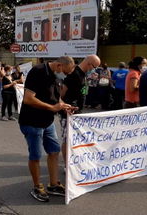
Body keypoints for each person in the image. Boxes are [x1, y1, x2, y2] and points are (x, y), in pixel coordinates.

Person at [19, 56, 75, 202]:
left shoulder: (57, 76)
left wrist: (64, 106)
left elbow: (56, 98)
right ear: (58, 65)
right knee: (36, 156)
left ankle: (53, 184)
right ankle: (37, 186)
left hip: (47, 121)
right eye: (66, 72)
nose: (66, 76)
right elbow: (28, 98)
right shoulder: (37, 71)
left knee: (54, 151)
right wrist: (52, 107)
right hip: (32, 122)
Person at [59, 55, 101, 165]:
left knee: (73, 139)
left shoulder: (83, 74)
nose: (94, 69)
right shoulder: (74, 74)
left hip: (77, 113)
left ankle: (72, 161)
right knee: (67, 139)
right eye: (94, 67)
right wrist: (65, 106)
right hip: (68, 113)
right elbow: (61, 93)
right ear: (88, 63)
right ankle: (66, 165)